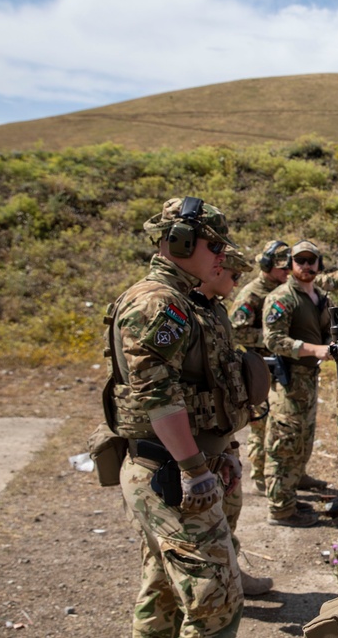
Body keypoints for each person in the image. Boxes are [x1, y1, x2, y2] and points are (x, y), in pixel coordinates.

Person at [105, 196, 246, 637]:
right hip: (170, 471)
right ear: (181, 243)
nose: (223, 257)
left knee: (164, 589)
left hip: (178, 465)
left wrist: (220, 452)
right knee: (215, 604)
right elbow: (156, 393)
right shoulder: (158, 303)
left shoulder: (185, 301)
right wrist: (193, 469)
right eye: (214, 246)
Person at [229, 239, 338, 493]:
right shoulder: (257, 293)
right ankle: (265, 483)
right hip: (268, 368)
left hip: (301, 369)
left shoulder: (302, 290)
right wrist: (292, 340)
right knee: (271, 434)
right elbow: (241, 332)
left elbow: (324, 282)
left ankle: (292, 479)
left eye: (310, 261)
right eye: (292, 263)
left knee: (299, 434)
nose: (289, 271)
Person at [194, 249, 274, 597]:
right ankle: (217, 583)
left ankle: (230, 571)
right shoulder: (187, 315)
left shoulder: (213, 313)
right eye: (232, 273)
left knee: (229, 508)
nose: (237, 281)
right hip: (195, 444)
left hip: (219, 436)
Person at [261, 240, 338, 527]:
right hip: (289, 381)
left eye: (311, 260)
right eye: (299, 260)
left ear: (319, 264)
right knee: (283, 444)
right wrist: (314, 350)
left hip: (308, 380)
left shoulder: (319, 297)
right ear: (290, 265)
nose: (306, 266)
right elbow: (273, 339)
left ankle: (288, 498)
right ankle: (280, 509)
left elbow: (328, 330)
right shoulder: (282, 298)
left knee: (302, 441)